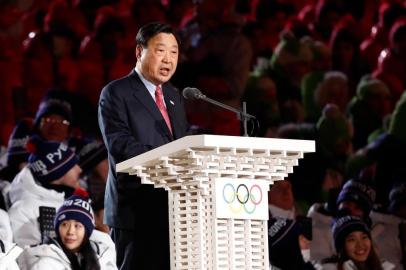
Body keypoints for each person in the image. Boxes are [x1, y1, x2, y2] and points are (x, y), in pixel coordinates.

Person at [98, 22, 189, 269]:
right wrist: (166, 159)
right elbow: (119, 144)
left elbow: (182, 143)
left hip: (173, 210)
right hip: (135, 210)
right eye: (161, 50)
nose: (168, 59)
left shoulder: (174, 96)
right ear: (139, 52)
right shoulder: (116, 92)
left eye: (174, 52)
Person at [8, 135, 82, 247]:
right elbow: (30, 258)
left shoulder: (69, 201)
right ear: (57, 173)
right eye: (72, 166)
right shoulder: (22, 210)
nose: (79, 169)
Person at [18, 188, 117, 270]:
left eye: (77, 226)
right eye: (65, 224)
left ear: (87, 231)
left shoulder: (105, 255)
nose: (70, 232)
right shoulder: (45, 263)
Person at [321, 215, 394, 270]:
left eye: (364, 237)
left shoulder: (385, 267)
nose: (360, 245)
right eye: (352, 239)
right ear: (341, 246)